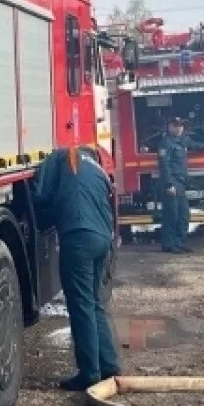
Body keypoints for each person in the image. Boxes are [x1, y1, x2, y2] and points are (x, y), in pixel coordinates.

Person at [35, 145, 121, 391]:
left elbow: (41, 194)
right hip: (103, 240)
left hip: (79, 237)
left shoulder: (63, 156)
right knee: (94, 303)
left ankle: (89, 373)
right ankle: (109, 365)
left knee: (81, 305)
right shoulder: (97, 170)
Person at [156, 117, 204, 254]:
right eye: (177, 126)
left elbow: (194, 144)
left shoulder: (182, 140)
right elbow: (164, 165)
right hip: (172, 182)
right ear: (170, 127)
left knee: (183, 215)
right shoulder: (165, 143)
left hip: (180, 183)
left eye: (181, 126)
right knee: (172, 215)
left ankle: (179, 243)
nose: (180, 128)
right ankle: (169, 244)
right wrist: (169, 184)